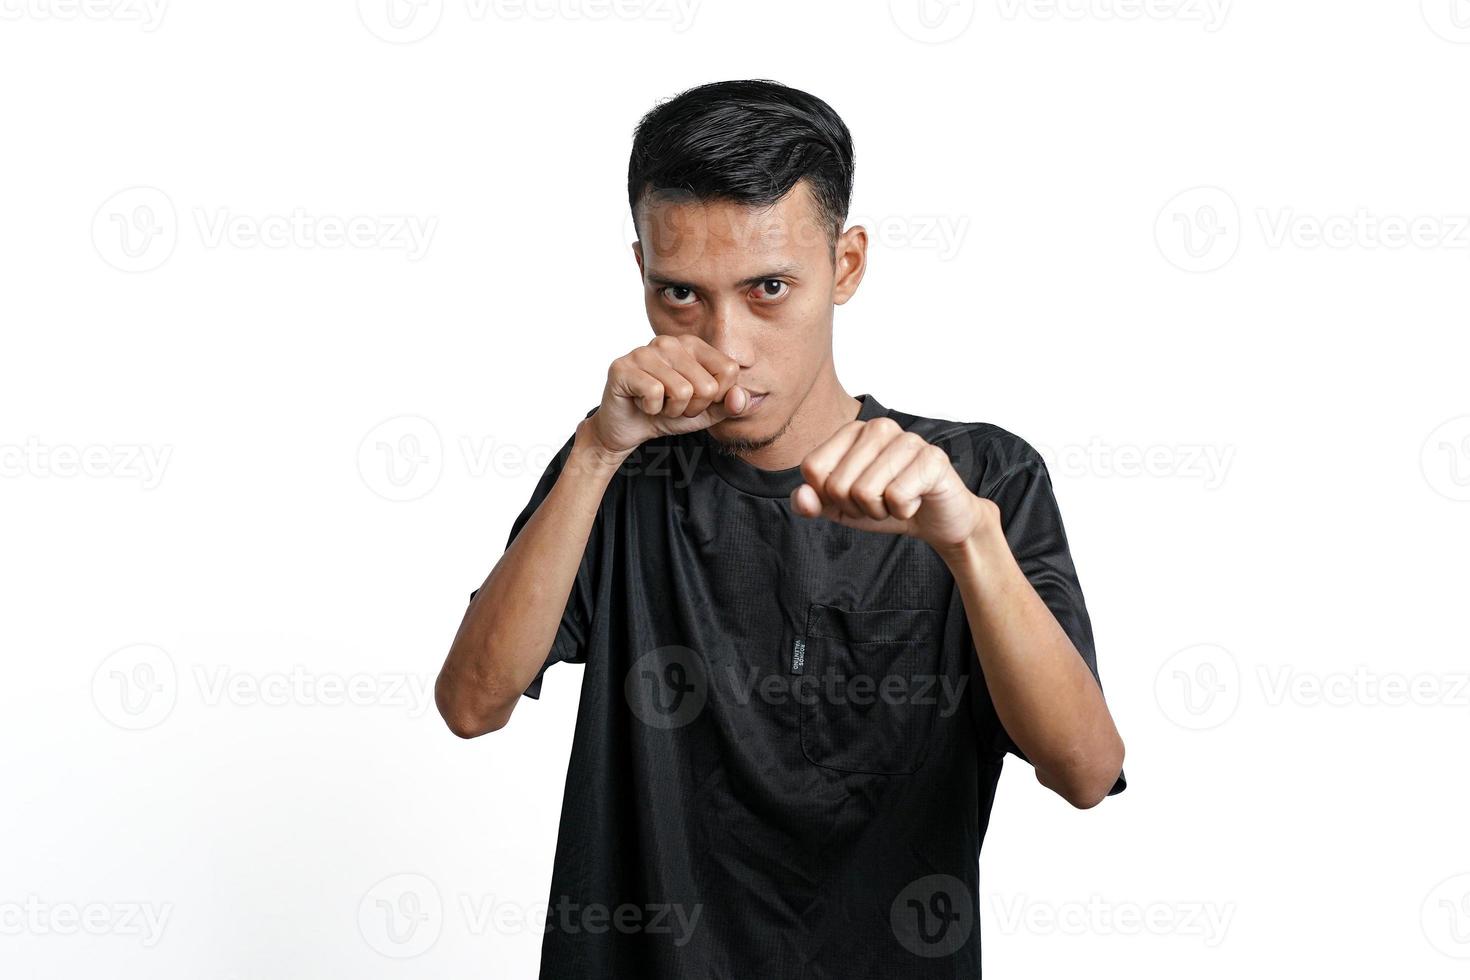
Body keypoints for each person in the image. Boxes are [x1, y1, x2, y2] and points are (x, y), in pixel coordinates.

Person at [435, 78, 1126, 978]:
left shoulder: (980, 479)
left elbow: (1082, 771)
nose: (726, 345)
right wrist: (599, 449)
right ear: (639, 267)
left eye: (768, 289)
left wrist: (971, 544)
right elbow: (471, 704)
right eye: (679, 294)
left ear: (845, 267)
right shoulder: (612, 471)